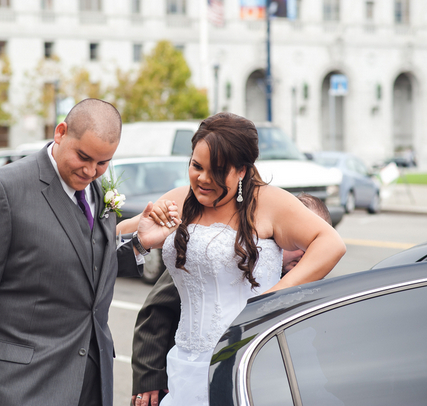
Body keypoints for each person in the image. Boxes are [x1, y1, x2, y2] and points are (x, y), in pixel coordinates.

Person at [0, 98, 172, 406]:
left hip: (90, 380)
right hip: (19, 386)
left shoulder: (97, 192)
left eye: (103, 162)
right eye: (83, 157)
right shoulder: (2, 190)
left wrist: (140, 243)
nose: (90, 171)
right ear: (60, 133)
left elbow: (85, 268)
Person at [119, 112, 346, 406]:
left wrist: (269, 302)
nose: (202, 179)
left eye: (216, 171)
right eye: (196, 166)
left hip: (247, 355)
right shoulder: (180, 199)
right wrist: (142, 238)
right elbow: (112, 236)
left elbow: (330, 244)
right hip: (186, 361)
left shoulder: (268, 202)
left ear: (241, 171)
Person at [129, 193, 333, 405]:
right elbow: (156, 310)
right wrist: (148, 377)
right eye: (299, 243)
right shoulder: (219, 261)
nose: (305, 254)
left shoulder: (315, 279)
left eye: (311, 245)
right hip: (196, 378)